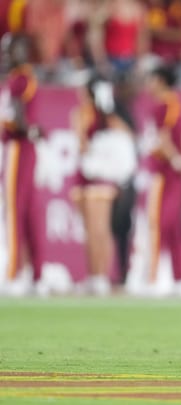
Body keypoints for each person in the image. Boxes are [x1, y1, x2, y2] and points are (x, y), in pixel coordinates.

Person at [70, 75, 135, 296]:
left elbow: (126, 135)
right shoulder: (81, 114)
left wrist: (106, 110)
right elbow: (81, 144)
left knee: (101, 229)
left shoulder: (107, 117)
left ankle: (101, 277)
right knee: (90, 230)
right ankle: (93, 276)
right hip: (84, 176)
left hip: (103, 177)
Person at [0, 33, 43, 296]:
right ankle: (35, 274)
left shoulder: (20, 78)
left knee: (14, 211)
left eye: (10, 50)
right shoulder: (22, 77)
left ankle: (13, 272)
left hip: (18, 148)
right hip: (24, 148)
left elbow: (17, 117)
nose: (5, 54)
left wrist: (27, 130)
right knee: (27, 213)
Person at [145, 65, 181, 296]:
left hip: (166, 174)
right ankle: (180, 278)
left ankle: (153, 277)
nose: (149, 85)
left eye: (152, 79)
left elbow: (163, 137)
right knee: (174, 226)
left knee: (159, 223)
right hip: (175, 173)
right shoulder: (176, 104)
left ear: (161, 80)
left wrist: (176, 160)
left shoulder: (165, 105)